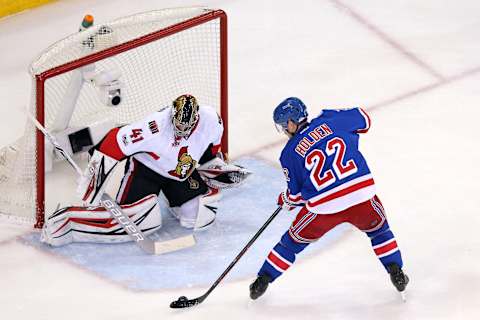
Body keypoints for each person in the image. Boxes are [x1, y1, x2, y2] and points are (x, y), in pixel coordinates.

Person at [249, 97, 409, 300]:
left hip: (325, 208)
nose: (285, 131)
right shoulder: (331, 119)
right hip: (361, 196)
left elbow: (296, 195)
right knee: (380, 233)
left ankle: (263, 279)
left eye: (284, 126)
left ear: (291, 122)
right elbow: (364, 119)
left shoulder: (289, 153)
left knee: (290, 244)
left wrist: (285, 199)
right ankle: (396, 271)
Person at [41, 94, 249, 246]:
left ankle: (172, 199)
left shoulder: (211, 120)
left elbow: (209, 153)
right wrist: (95, 177)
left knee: (197, 216)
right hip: (146, 170)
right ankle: (66, 221)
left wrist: (218, 171)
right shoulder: (153, 127)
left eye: (186, 127)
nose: (181, 131)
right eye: (177, 125)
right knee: (139, 224)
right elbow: (114, 139)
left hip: (180, 172)